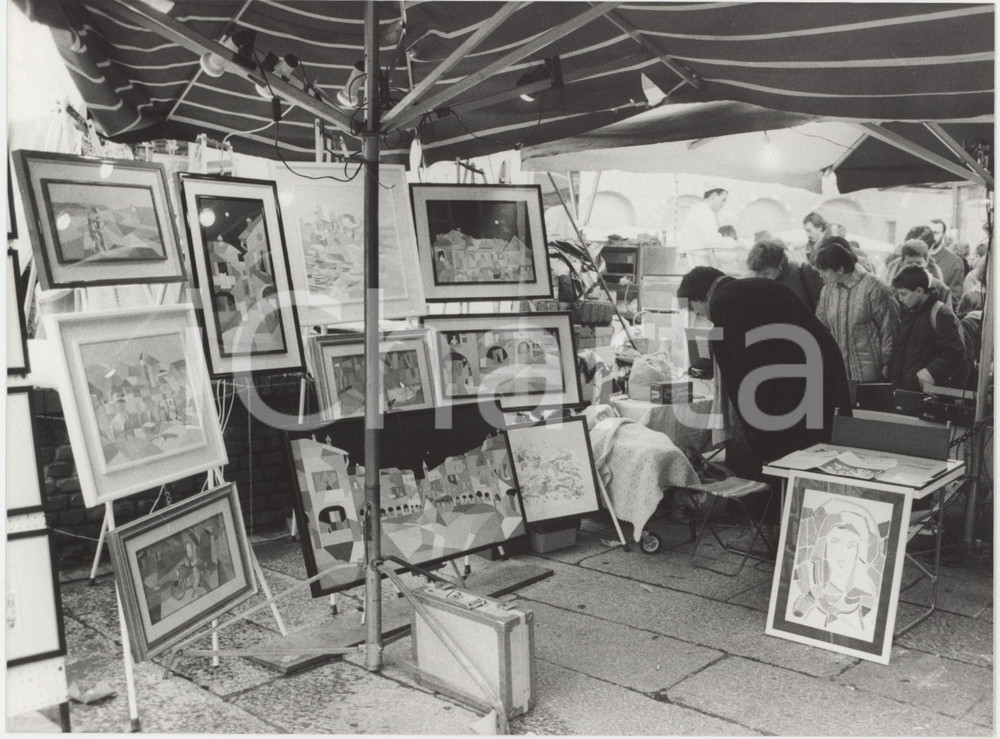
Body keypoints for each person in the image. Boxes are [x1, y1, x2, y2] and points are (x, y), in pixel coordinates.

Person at [677, 267, 852, 539]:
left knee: (783, 458)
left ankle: (787, 530)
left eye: (695, 309)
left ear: (701, 296)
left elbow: (739, 371)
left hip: (794, 385)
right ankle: (812, 524)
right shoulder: (752, 287)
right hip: (819, 375)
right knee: (814, 454)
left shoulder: (723, 302)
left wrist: (753, 427)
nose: (701, 315)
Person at [788, 499, 881, 640]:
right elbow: (798, 616)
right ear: (823, 546)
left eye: (851, 545)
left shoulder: (865, 602)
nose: (841, 553)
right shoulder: (813, 593)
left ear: (860, 551)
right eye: (834, 542)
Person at [814, 239, 899, 385]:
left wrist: (887, 363)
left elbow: (889, 328)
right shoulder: (827, 291)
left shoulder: (874, 287)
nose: (821, 275)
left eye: (824, 270)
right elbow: (821, 328)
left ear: (840, 269)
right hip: (838, 374)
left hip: (870, 376)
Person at [888, 266, 967, 391]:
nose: (900, 299)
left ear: (919, 291)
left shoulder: (940, 313)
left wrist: (930, 374)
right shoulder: (906, 311)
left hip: (925, 392)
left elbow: (955, 352)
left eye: (903, 294)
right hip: (902, 389)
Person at [746, 237, 824, 312]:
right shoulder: (752, 280)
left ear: (780, 265)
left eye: (766, 273)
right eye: (758, 274)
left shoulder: (804, 273)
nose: (762, 279)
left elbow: (824, 306)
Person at [881, 240, 952, 306]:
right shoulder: (893, 291)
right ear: (902, 263)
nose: (914, 267)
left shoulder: (942, 291)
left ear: (926, 262)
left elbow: (947, 314)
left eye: (918, 263)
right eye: (909, 263)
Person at [928, 218, 965, 306]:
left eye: (935, 233)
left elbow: (955, 298)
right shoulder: (918, 257)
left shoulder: (955, 262)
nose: (931, 237)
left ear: (943, 235)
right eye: (929, 233)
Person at [680, 188, 728, 255]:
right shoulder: (704, 211)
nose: (723, 204)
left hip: (691, 256)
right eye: (723, 200)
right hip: (694, 257)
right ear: (714, 196)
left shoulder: (699, 208)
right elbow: (711, 241)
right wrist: (732, 243)